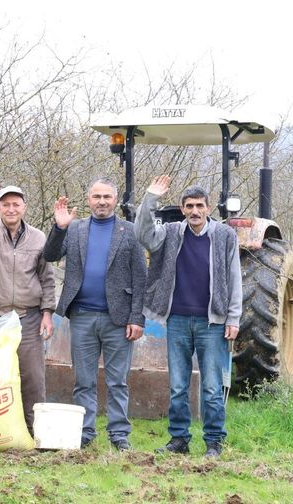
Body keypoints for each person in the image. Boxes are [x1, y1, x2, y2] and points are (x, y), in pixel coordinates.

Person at [134, 175, 242, 458]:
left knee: (211, 386)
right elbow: (143, 235)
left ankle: (214, 441)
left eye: (200, 206)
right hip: (178, 320)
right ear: (182, 208)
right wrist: (150, 198)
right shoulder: (170, 232)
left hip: (212, 323)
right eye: (189, 205)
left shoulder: (225, 236)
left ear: (208, 208)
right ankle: (179, 440)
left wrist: (233, 318)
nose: (194, 211)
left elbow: (234, 278)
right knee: (178, 386)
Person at [43, 178, 147, 451]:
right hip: (82, 316)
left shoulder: (130, 231)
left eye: (107, 197)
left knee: (117, 381)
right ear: (88, 199)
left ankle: (119, 434)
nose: (102, 201)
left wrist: (137, 317)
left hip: (119, 319)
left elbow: (140, 276)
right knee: (83, 380)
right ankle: (85, 431)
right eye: (96, 196)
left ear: (115, 200)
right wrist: (59, 228)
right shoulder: (75, 229)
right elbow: (50, 255)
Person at [0, 171, 56, 434]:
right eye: (5, 204)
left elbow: (47, 278)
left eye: (16, 204)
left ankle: (34, 430)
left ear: (24, 208)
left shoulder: (39, 237)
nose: (11, 209)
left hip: (27, 319)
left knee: (32, 376)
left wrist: (47, 312)